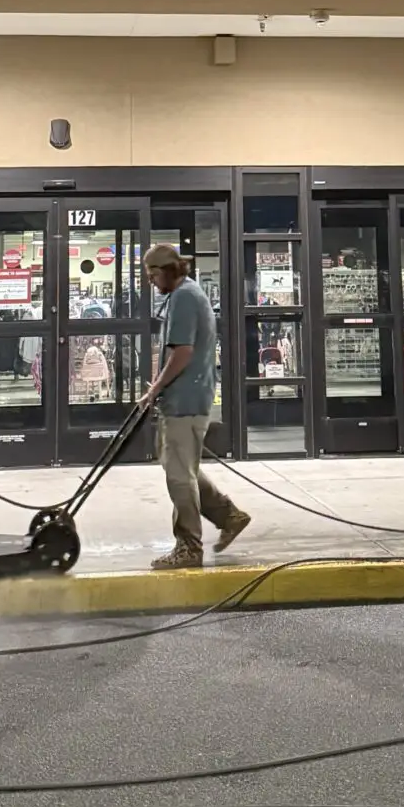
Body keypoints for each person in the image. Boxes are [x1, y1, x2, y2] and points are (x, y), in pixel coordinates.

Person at [141, 242, 250, 570]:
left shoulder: (185, 297)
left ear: (169, 270)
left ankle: (189, 547)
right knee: (179, 464)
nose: (151, 280)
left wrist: (156, 388)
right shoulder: (185, 293)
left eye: (153, 273)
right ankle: (229, 515)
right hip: (186, 396)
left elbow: (183, 351)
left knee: (178, 475)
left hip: (186, 399)